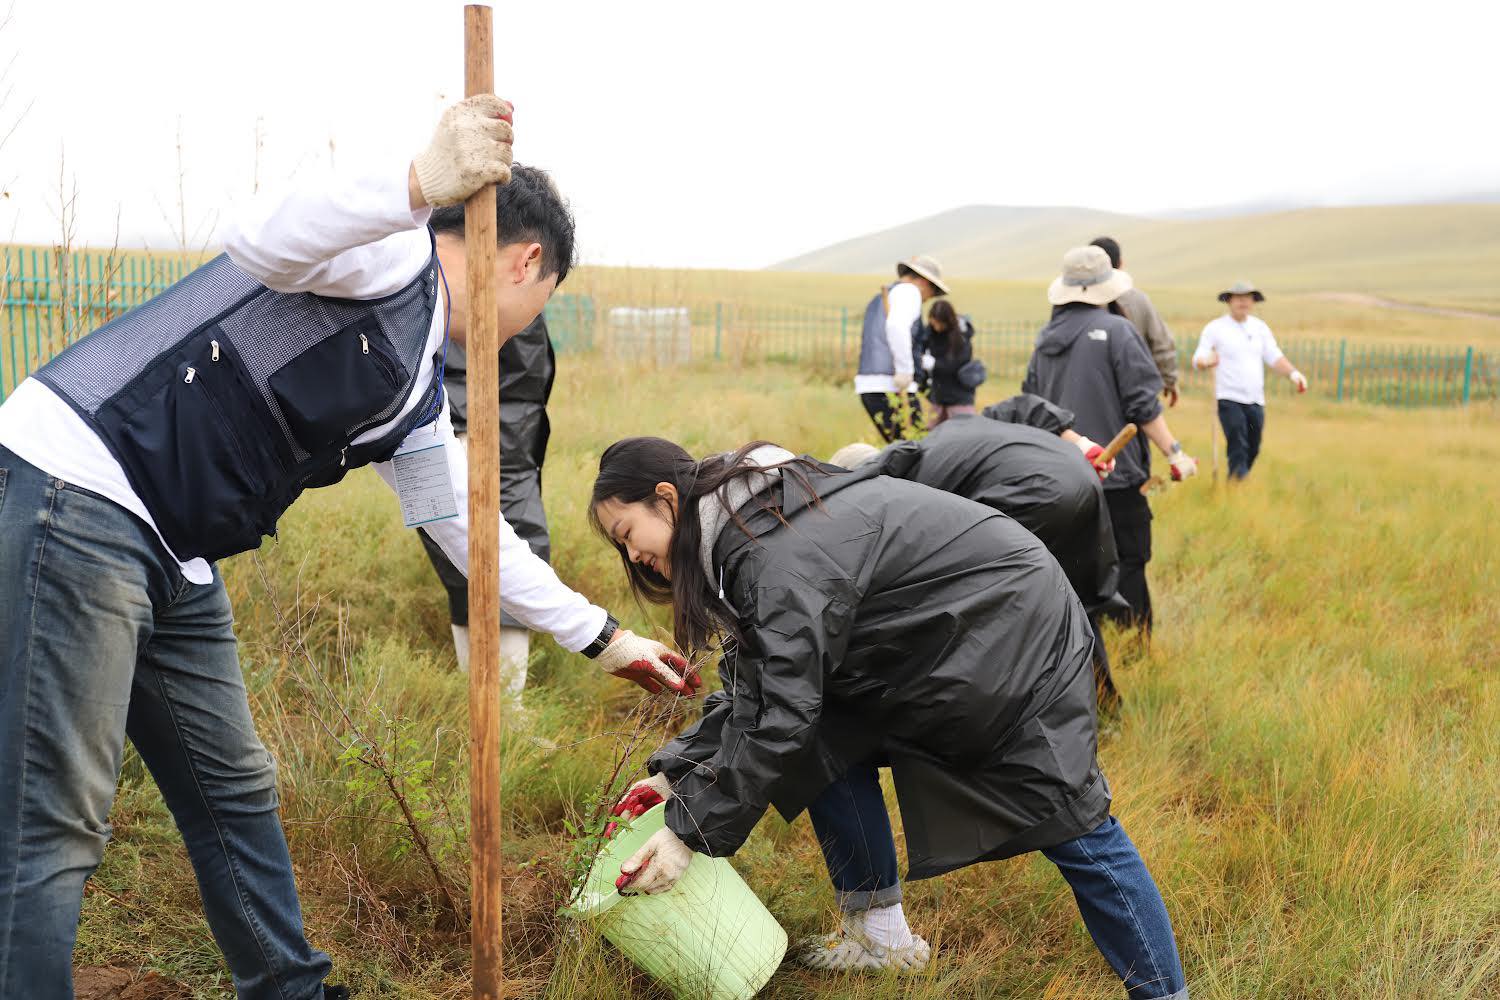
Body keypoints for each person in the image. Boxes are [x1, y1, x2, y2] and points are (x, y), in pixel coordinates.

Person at [0, 97, 697, 1000]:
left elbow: (475, 541)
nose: (531, 321)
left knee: (235, 786)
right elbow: (257, 234)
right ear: (528, 262)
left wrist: (609, 638)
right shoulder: (389, 252)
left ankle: (289, 990)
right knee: (54, 819)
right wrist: (416, 183)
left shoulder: (414, 396)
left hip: (175, 549)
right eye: (544, 299)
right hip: (81, 489)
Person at [591, 439, 1188, 998]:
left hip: (1005, 634)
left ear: (666, 499)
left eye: (628, 532)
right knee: (819, 739)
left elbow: (780, 710)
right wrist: (676, 775)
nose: (633, 554)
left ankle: (1166, 992)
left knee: (1072, 817)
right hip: (936, 639)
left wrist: (687, 832)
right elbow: (761, 683)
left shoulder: (772, 551)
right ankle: (879, 937)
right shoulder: (746, 531)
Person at [830, 406, 1129, 704]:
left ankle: (1005, 708)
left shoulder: (906, 485)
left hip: (1032, 494)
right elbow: (1025, 404)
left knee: (1001, 609)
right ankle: (1104, 701)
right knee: (1071, 598)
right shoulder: (951, 433)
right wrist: (1081, 443)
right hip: (1080, 477)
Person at [1024, 246, 1198, 631]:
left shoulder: (1045, 339)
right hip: (1116, 476)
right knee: (1129, 564)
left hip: (1059, 478)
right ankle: (1132, 653)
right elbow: (1143, 407)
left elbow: (1032, 407)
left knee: (1074, 569)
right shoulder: (1119, 331)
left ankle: (1079, 649)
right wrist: (1176, 452)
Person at [418, 309, 555, 693]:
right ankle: (488, 703)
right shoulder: (467, 275)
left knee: (504, 555)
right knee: (466, 557)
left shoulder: (501, 275)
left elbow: (523, 376)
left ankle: (504, 709)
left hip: (494, 435)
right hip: (467, 435)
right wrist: (462, 428)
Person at [1192, 281, 1307, 480]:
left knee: (1253, 447)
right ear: (1229, 301)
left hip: (1255, 400)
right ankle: (1238, 487)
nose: (1243, 302)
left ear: (1253, 302)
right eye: (1238, 297)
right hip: (1228, 398)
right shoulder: (1215, 328)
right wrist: (1206, 361)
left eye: (1248, 297)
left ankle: (1236, 481)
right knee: (1238, 444)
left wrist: (1293, 374)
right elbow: (1198, 358)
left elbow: (1274, 356)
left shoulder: (1259, 328)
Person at [854, 255, 949, 442]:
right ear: (923, 282)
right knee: (914, 452)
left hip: (870, 385)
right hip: (892, 384)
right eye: (933, 291)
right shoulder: (909, 292)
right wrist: (905, 370)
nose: (928, 299)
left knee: (901, 450)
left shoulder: (885, 296)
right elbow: (896, 327)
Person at [1090, 237, 1181, 407]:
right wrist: (1170, 380)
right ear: (1121, 263)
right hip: (1137, 391)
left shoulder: (1075, 303)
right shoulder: (1138, 300)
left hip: (1091, 392)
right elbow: (1161, 343)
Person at [911, 298, 979, 426]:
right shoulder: (929, 333)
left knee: (963, 431)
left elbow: (957, 364)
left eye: (939, 324)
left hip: (959, 396)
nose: (936, 327)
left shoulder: (962, 338)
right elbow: (919, 347)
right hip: (938, 395)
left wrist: (934, 364)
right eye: (933, 323)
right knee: (934, 433)